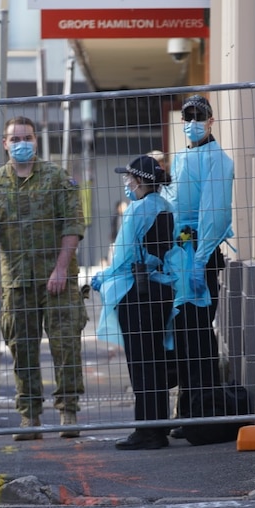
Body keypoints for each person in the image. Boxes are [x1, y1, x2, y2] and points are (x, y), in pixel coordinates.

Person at [0, 117, 87, 441]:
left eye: (28, 137)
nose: (22, 143)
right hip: (17, 282)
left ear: (36, 141)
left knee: (66, 344)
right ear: (5, 144)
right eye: (15, 138)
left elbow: (73, 225)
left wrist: (62, 268)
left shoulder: (56, 178)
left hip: (57, 280)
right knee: (21, 349)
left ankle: (68, 411)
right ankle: (30, 417)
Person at [161, 94, 236, 445]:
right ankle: (188, 412)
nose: (192, 122)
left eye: (199, 116)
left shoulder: (216, 160)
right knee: (188, 337)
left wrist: (201, 258)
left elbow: (214, 214)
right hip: (182, 256)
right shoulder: (185, 157)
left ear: (211, 121)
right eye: (187, 116)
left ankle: (201, 411)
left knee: (199, 336)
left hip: (199, 258)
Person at [92, 155, 180, 450]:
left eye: (129, 178)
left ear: (140, 181)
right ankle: (158, 427)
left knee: (141, 364)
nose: (126, 183)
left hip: (138, 293)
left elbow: (123, 257)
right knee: (154, 361)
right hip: (162, 290)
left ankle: (146, 432)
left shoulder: (137, 211)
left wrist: (102, 277)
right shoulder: (165, 207)